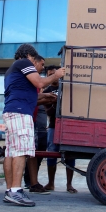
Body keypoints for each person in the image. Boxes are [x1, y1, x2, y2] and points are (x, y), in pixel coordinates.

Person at [2, 44, 65, 207]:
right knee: (21, 151)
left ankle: (10, 191)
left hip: (11, 111)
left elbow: (29, 94)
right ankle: (16, 191)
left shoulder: (12, 70)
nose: (39, 67)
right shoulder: (24, 63)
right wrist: (56, 75)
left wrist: (46, 96)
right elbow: (39, 82)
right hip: (21, 113)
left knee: (10, 152)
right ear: (30, 55)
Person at [23, 55, 56, 194]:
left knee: (36, 150)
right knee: (29, 152)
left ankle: (33, 182)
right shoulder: (35, 80)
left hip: (38, 120)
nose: (43, 68)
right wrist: (48, 97)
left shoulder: (37, 81)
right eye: (42, 65)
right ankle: (29, 182)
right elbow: (33, 99)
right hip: (29, 118)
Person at [43, 65, 78, 194]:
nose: (53, 76)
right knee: (51, 152)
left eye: (54, 73)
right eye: (50, 74)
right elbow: (49, 112)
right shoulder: (46, 91)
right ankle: (51, 183)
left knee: (70, 153)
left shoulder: (67, 87)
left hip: (69, 125)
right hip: (53, 126)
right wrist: (57, 102)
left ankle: (69, 184)